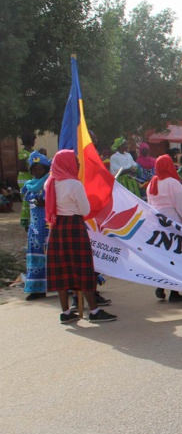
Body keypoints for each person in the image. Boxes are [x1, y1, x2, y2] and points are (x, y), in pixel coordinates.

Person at [44, 150, 117, 324]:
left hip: (56, 229)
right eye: (75, 162)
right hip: (74, 227)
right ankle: (94, 311)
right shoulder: (74, 184)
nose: (78, 165)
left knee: (61, 270)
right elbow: (85, 210)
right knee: (83, 268)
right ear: (67, 164)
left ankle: (66, 312)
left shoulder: (49, 182)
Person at [147, 154, 182, 302]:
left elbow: (149, 205)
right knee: (176, 256)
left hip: (157, 224)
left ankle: (160, 286)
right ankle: (174, 292)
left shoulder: (152, 183)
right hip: (172, 223)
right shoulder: (173, 183)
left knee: (163, 256)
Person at [22, 152, 51, 300]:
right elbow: (25, 207)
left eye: (40, 169)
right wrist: (25, 221)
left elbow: (58, 203)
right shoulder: (28, 186)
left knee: (52, 255)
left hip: (48, 228)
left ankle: (62, 286)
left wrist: (45, 204)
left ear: (46, 169)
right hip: (34, 229)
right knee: (35, 257)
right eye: (35, 169)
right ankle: (37, 289)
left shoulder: (50, 184)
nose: (37, 171)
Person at [17, 132, 36, 229]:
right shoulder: (23, 153)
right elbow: (21, 168)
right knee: (26, 200)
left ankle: (32, 220)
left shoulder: (34, 152)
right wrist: (33, 168)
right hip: (24, 179)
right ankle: (26, 223)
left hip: (32, 179)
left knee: (32, 199)